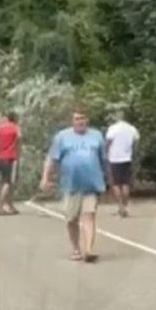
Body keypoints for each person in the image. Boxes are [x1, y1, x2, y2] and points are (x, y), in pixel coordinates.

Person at [40, 110, 107, 262]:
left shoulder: (96, 136)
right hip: (71, 185)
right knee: (71, 219)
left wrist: (107, 178)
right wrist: (46, 177)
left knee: (89, 215)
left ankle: (89, 250)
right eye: (77, 119)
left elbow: (103, 159)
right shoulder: (62, 137)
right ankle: (76, 249)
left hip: (91, 184)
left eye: (83, 118)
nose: (80, 121)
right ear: (72, 121)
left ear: (87, 120)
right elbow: (52, 159)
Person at [105, 112, 140, 217]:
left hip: (114, 159)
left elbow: (108, 142)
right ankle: (124, 207)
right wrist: (131, 152)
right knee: (125, 183)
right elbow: (135, 142)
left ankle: (120, 207)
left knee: (116, 184)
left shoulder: (113, 128)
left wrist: (106, 153)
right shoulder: (132, 128)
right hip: (127, 158)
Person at [0, 112, 20, 216]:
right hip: (10, 157)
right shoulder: (15, 127)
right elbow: (20, 138)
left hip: (0, 157)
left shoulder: (0, 128)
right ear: (15, 118)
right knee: (8, 182)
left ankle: (10, 205)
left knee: (5, 182)